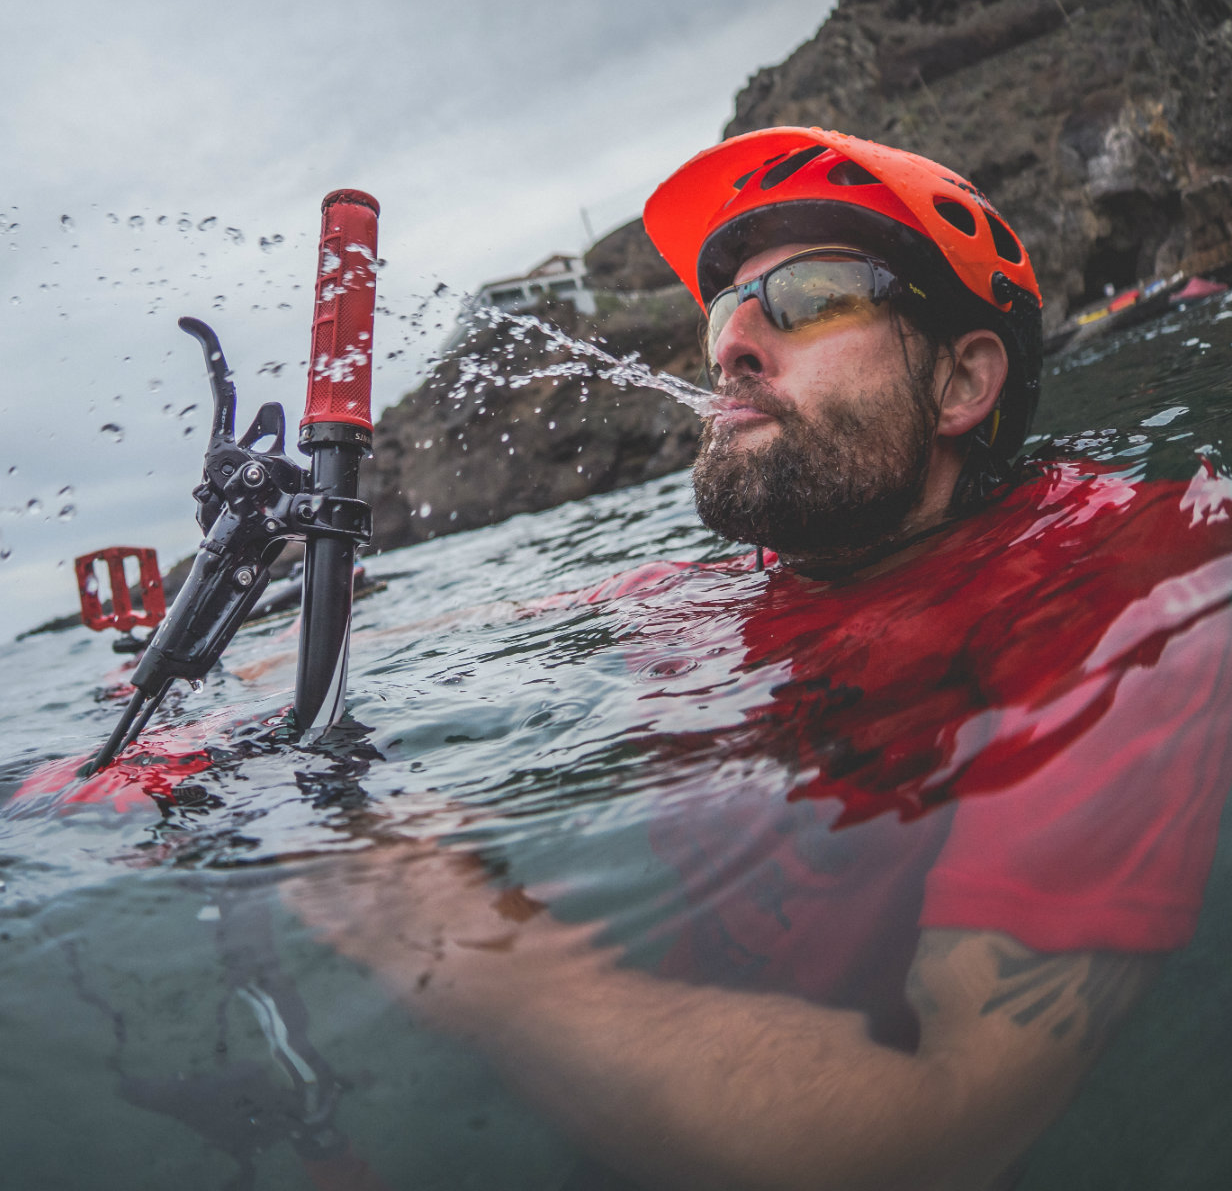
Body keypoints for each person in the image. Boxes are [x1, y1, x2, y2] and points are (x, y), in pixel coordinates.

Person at [285, 128, 1232, 1190]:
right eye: (725, 313)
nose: (734, 345)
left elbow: (940, 1127)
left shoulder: (1121, 573)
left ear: (963, 381)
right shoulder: (691, 603)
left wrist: (461, 947)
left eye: (814, 296)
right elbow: (377, 659)